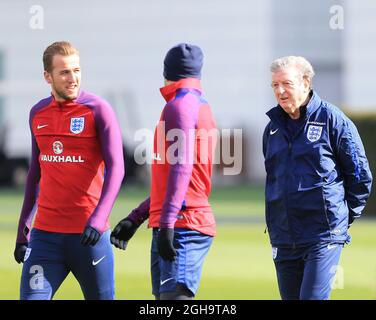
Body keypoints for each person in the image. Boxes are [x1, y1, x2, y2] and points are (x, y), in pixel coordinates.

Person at [13, 41, 124, 300]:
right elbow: (34, 175)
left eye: (76, 70)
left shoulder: (99, 110)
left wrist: (98, 219)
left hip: (89, 239)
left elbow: (117, 168)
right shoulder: (38, 113)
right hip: (44, 241)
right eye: (64, 72)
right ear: (47, 76)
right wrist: (23, 230)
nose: (72, 78)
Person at [110, 43, 217, 300]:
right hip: (177, 220)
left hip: (182, 223)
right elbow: (172, 179)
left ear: (167, 73)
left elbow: (182, 168)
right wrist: (136, 218)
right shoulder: (197, 105)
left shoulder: (178, 107)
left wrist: (168, 222)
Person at [262, 56, 373, 300]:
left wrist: (341, 219)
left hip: (322, 236)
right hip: (284, 237)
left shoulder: (333, 120)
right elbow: (273, 181)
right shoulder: (272, 129)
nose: (279, 91)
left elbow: (360, 176)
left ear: (305, 82)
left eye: (286, 84)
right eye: (274, 85)